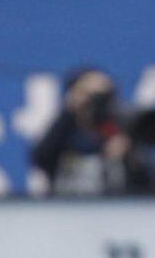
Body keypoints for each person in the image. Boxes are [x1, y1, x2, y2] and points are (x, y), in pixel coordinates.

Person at [31, 67, 151, 195]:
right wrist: (71, 108)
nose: (98, 102)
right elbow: (41, 157)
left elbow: (145, 182)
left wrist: (128, 155)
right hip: (67, 208)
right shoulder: (65, 131)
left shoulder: (119, 130)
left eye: (104, 95)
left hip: (115, 209)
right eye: (92, 95)